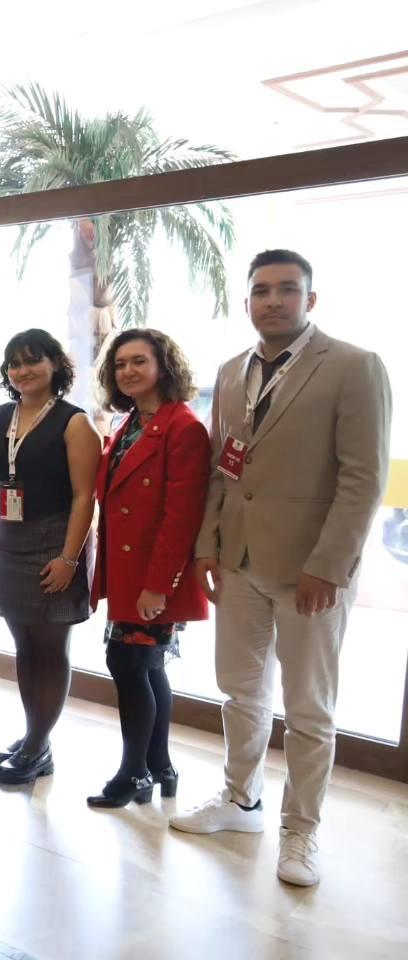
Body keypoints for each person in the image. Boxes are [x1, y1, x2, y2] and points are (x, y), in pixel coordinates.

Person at [171, 250, 392, 887]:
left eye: (287, 289)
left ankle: (301, 831)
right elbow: (223, 468)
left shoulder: (353, 366)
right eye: (262, 291)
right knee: (241, 691)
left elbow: (363, 480)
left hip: (310, 570)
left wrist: (331, 565)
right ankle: (241, 801)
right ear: (247, 302)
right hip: (238, 562)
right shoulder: (231, 371)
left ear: (310, 300)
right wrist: (207, 545)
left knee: (308, 708)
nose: (273, 300)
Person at [87, 329, 211, 808]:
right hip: (129, 569)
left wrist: (158, 586)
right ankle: (160, 766)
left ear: (164, 366)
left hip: (152, 576)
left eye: (139, 361)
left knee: (127, 664)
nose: (128, 371)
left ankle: (134, 773)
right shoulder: (132, 422)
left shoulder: (183, 426)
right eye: (120, 364)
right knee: (146, 664)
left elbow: (182, 517)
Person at [0, 329, 101, 785]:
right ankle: (35, 737)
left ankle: (37, 745)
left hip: (55, 541)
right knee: (24, 646)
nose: (22, 371)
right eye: (14, 363)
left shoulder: (74, 422)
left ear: (55, 364)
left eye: (32, 360)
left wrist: (70, 558)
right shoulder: (0, 416)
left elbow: (85, 496)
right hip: (8, 541)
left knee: (51, 648)